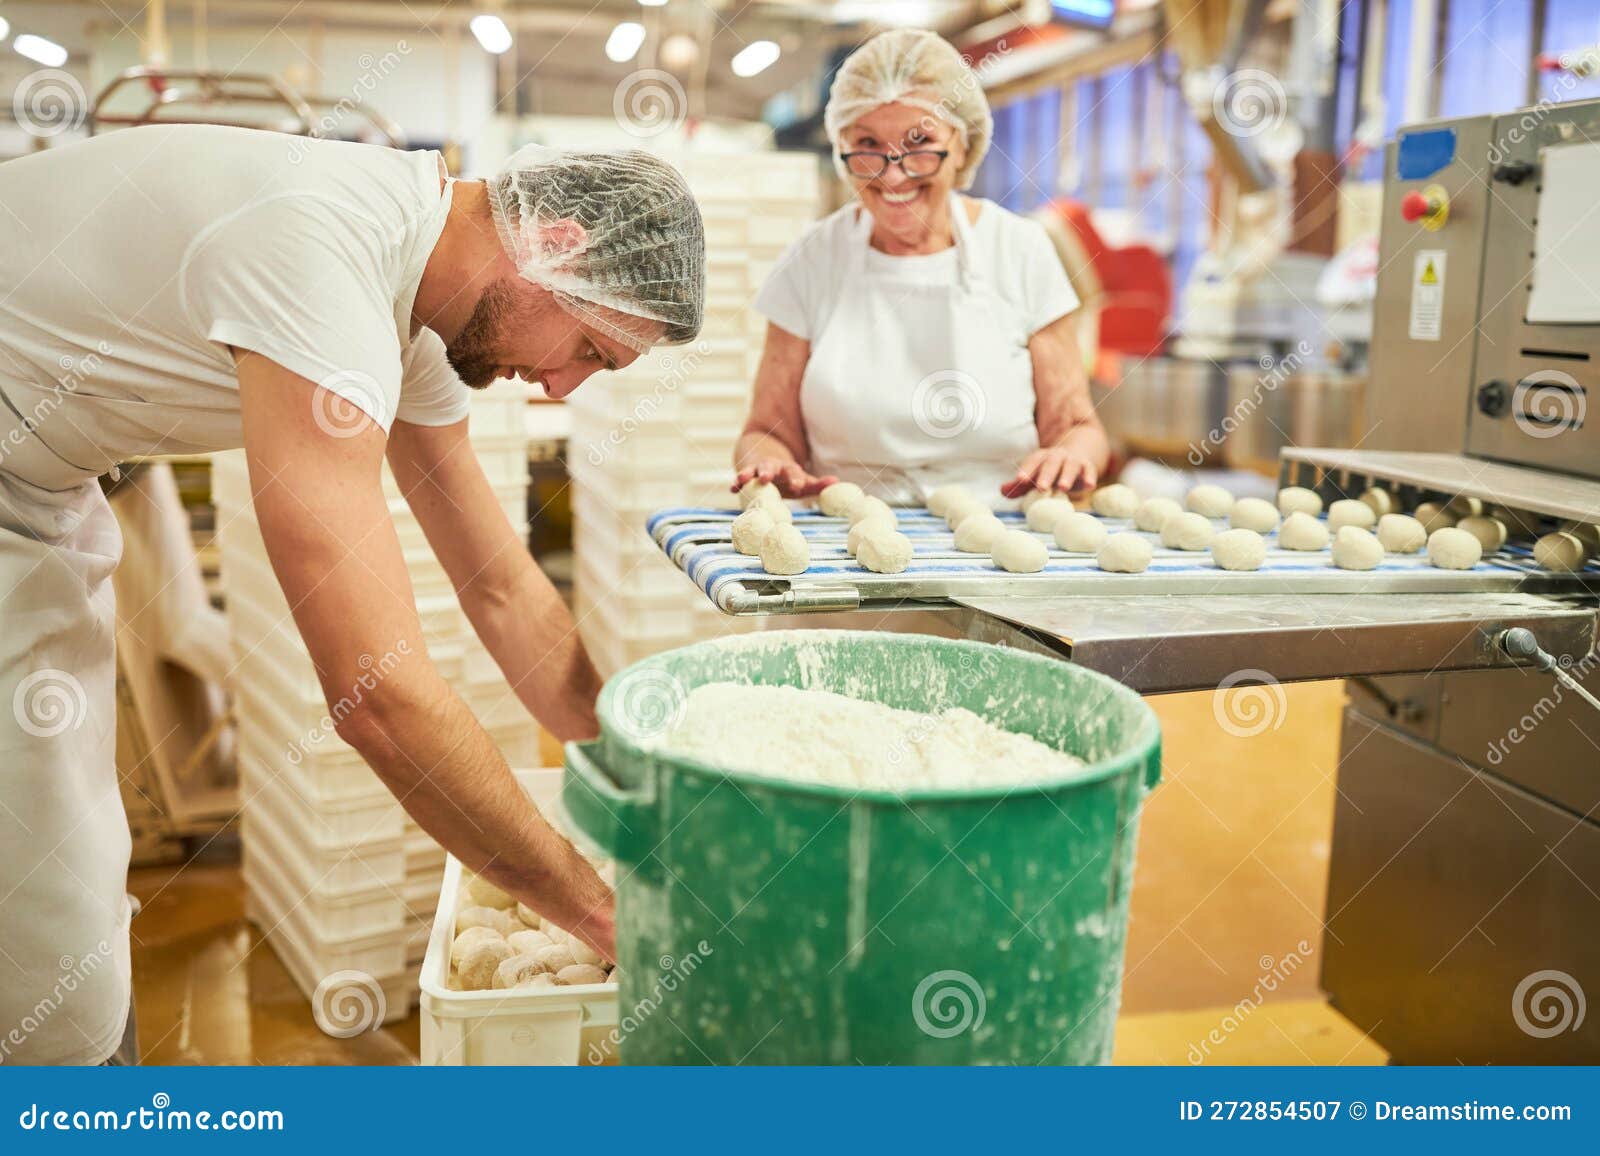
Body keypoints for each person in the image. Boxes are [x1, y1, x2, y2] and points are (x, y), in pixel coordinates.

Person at [0, 125, 704, 1064]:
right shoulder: (324, 262)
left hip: (38, 488)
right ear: (557, 242)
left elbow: (499, 587)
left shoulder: (408, 298)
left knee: (60, 891)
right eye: (591, 349)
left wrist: (636, 793)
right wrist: (607, 918)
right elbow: (379, 697)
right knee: (50, 945)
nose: (564, 386)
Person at [735, 28, 1108, 506]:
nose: (893, 174)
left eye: (920, 144)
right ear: (841, 147)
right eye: (867, 144)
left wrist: (1073, 457)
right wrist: (768, 462)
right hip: (845, 541)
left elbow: (1078, 429)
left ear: (961, 145)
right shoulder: (812, 260)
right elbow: (765, 433)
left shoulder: (1020, 250)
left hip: (1002, 537)